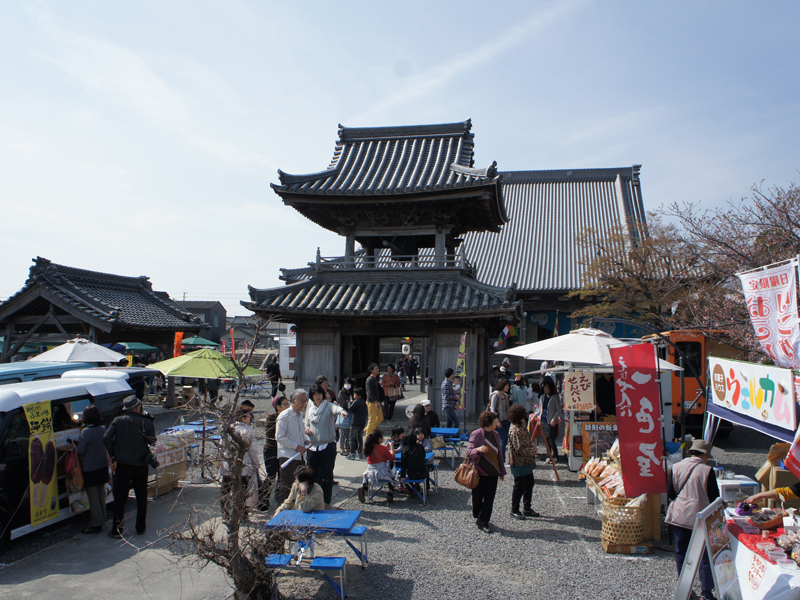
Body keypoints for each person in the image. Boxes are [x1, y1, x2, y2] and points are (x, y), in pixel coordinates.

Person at [666, 440, 719, 600]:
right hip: (700, 519)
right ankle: (706, 593)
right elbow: (714, 497)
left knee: (681, 553)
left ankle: (685, 590)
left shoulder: (675, 467)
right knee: (704, 556)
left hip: (679, 517)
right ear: (704, 455)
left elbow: (671, 493)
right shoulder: (707, 470)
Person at [104, 395, 156, 538]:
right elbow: (153, 442)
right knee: (141, 496)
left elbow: (106, 437)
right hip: (140, 464)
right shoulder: (147, 422)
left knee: (120, 497)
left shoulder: (118, 421)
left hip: (122, 464)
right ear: (138, 407)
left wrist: (113, 453)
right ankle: (140, 527)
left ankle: (117, 529)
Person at [304, 384, 346, 506]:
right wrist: (306, 429)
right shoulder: (310, 407)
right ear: (312, 396)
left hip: (327, 445)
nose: (317, 396)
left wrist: (342, 411)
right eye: (315, 394)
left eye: (319, 394)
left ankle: (326, 501)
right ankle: (312, 499)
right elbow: (306, 422)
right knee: (311, 475)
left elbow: (336, 408)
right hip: (312, 446)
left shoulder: (327, 406)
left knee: (327, 476)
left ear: (323, 394)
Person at [467, 411, 506, 533]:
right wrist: (478, 449)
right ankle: (478, 515)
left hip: (493, 471)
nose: (497, 422)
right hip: (479, 471)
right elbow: (469, 451)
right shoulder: (477, 434)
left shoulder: (496, 434)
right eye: (495, 420)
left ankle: (484, 521)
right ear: (489, 421)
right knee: (477, 498)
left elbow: (499, 455)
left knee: (489, 498)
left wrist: (501, 472)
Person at [220, 407, 261, 519]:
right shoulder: (248, 431)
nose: (250, 419)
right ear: (243, 418)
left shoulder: (228, 428)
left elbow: (222, 446)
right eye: (249, 417)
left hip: (228, 464)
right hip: (243, 465)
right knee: (242, 491)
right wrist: (256, 464)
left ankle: (225, 513)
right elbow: (253, 450)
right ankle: (241, 514)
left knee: (226, 490)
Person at [76, 405, 109, 534]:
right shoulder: (103, 429)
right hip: (102, 465)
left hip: (90, 468)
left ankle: (96, 525)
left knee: (93, 498)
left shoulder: (86, 432)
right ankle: (103, 519)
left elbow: (81, 450)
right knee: (101, 495)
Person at [275, 389, 310, 505]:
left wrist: (306, 440)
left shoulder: (300, 415)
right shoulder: (284, 415)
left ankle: (294, 512)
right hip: (288, 457)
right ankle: (281, 515)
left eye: (305, 401)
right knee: (286, 487)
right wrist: (296, 446)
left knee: (298, 486)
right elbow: (279, 437)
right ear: (293, 400)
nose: (303, 404)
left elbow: (300, 433)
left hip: (299, 456)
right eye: (301, 401)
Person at [507, 404, 539, 520]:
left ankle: (527, 508)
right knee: (519, 486)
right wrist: (533, 450)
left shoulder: (518, 426)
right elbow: (519, 449)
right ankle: (514, 509)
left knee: (529, 484)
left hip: (525, 461)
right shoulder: (516, 429)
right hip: (519, 462)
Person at [358, 429, 397, 503]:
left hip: (370, 472)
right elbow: (392, 458)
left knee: (366, 480)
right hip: (381, 473)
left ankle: (363, 489)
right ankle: (390, 492)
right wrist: (392, 448)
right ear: (379, 439)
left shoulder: (368, 448)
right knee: (391, 477)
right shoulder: (383, 449)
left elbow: (377, 452)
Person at [265, 395, 290, 481]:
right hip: (272, 450)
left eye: (288, 404)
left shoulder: (289, 418)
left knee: (282, 477)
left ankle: (278, 494)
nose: (288, 406)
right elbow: (269, 434)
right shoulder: (271, 417)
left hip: (284, 451)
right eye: (285, 404)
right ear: (278, 407)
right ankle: (265, 494)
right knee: (271, 476)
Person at [540, 379, 562, 460]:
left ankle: (555, 455)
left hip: (552, 421)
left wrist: (554, 418)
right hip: (544, 420)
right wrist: (535, 416)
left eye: (547, 387)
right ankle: (548, 456)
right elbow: (540, 410)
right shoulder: (542, 397)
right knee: (546, 440)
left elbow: (558, 409)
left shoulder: (555, 397)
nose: (545, 389)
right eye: (544, 387)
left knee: (551, 440)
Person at [489, 378, 511, 456]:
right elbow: (492, 409)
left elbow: (507, 409)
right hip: (498, 420)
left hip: (505, 420)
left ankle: (501, 457)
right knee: (503, 439)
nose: (508, 387)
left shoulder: (505, 395)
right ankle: (501, 458)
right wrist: (497, 421)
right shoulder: (495, 395)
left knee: (505, 439)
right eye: (507, 385)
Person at [347, 387, 368, 460]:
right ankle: (360, 454)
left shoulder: (356, 402)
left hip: (355, 422)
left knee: (352, 438)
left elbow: (350, 408)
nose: (353, 395)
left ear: (359, 395)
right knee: (360, 438)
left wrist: (350, 402)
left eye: (355, 394)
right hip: (362, 422)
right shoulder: (364, 403)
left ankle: (352, 454)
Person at [365, 363, 384, 435]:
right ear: (371, 370)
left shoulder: (375, 379)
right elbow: (370, 392)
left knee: (380, 417)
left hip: (377, 401)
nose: (378, 369)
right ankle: (368, 435)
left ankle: (368, 428)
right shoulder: (369, 380)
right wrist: (375, 401)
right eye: (376, 368)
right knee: (372, 419)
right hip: (372, 402)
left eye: (377, 368)